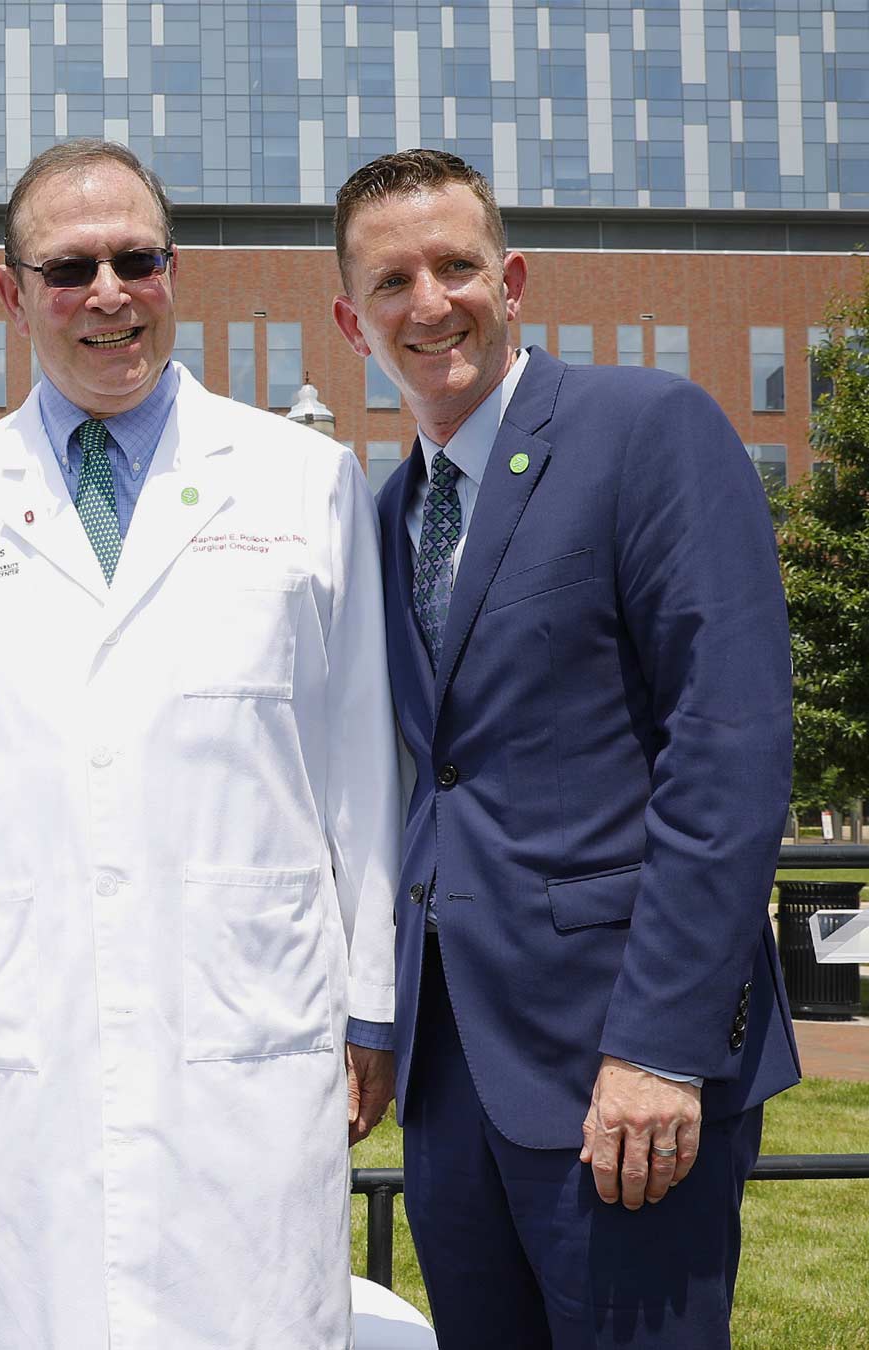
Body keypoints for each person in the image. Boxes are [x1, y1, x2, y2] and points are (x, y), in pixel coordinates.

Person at [0, 139, 400, 1348]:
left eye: (134, 260)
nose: (106, 294)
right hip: (25, 1052)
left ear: (176, 271)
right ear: (12, 293)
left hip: (252, 1034)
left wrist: (371, 1012)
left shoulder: (303, 482)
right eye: (68, 270)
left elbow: (363, 766)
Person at [328, 148, 799, 1349]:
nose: (429, 304)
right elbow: (416, 785)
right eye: (392, 281)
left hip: (621, 1068)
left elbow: (729, 747)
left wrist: (661, 1045)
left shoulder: (648, 431)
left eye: (456, 266)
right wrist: (376, 1022)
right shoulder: (384, 517)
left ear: (515, 276)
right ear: (351, 318)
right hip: (451, 1087)